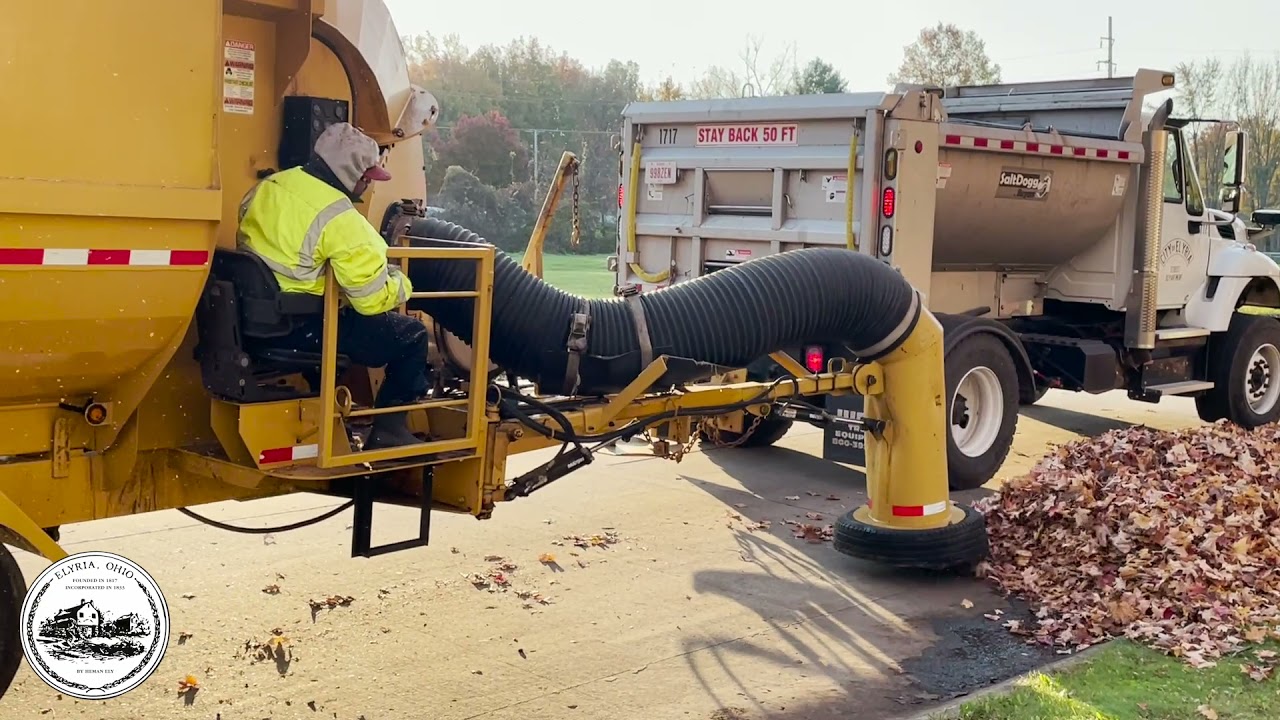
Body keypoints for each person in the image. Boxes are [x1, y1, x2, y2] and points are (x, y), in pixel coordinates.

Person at [236, 122, 428, 449]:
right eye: (367, 178)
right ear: (349, 171)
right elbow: (371, 302)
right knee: (411, 336)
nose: (368, 186)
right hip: (302, 328)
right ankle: (388, 429)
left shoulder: (271, 186)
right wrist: (401, 282)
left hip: (253, 318)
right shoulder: (342, 220)